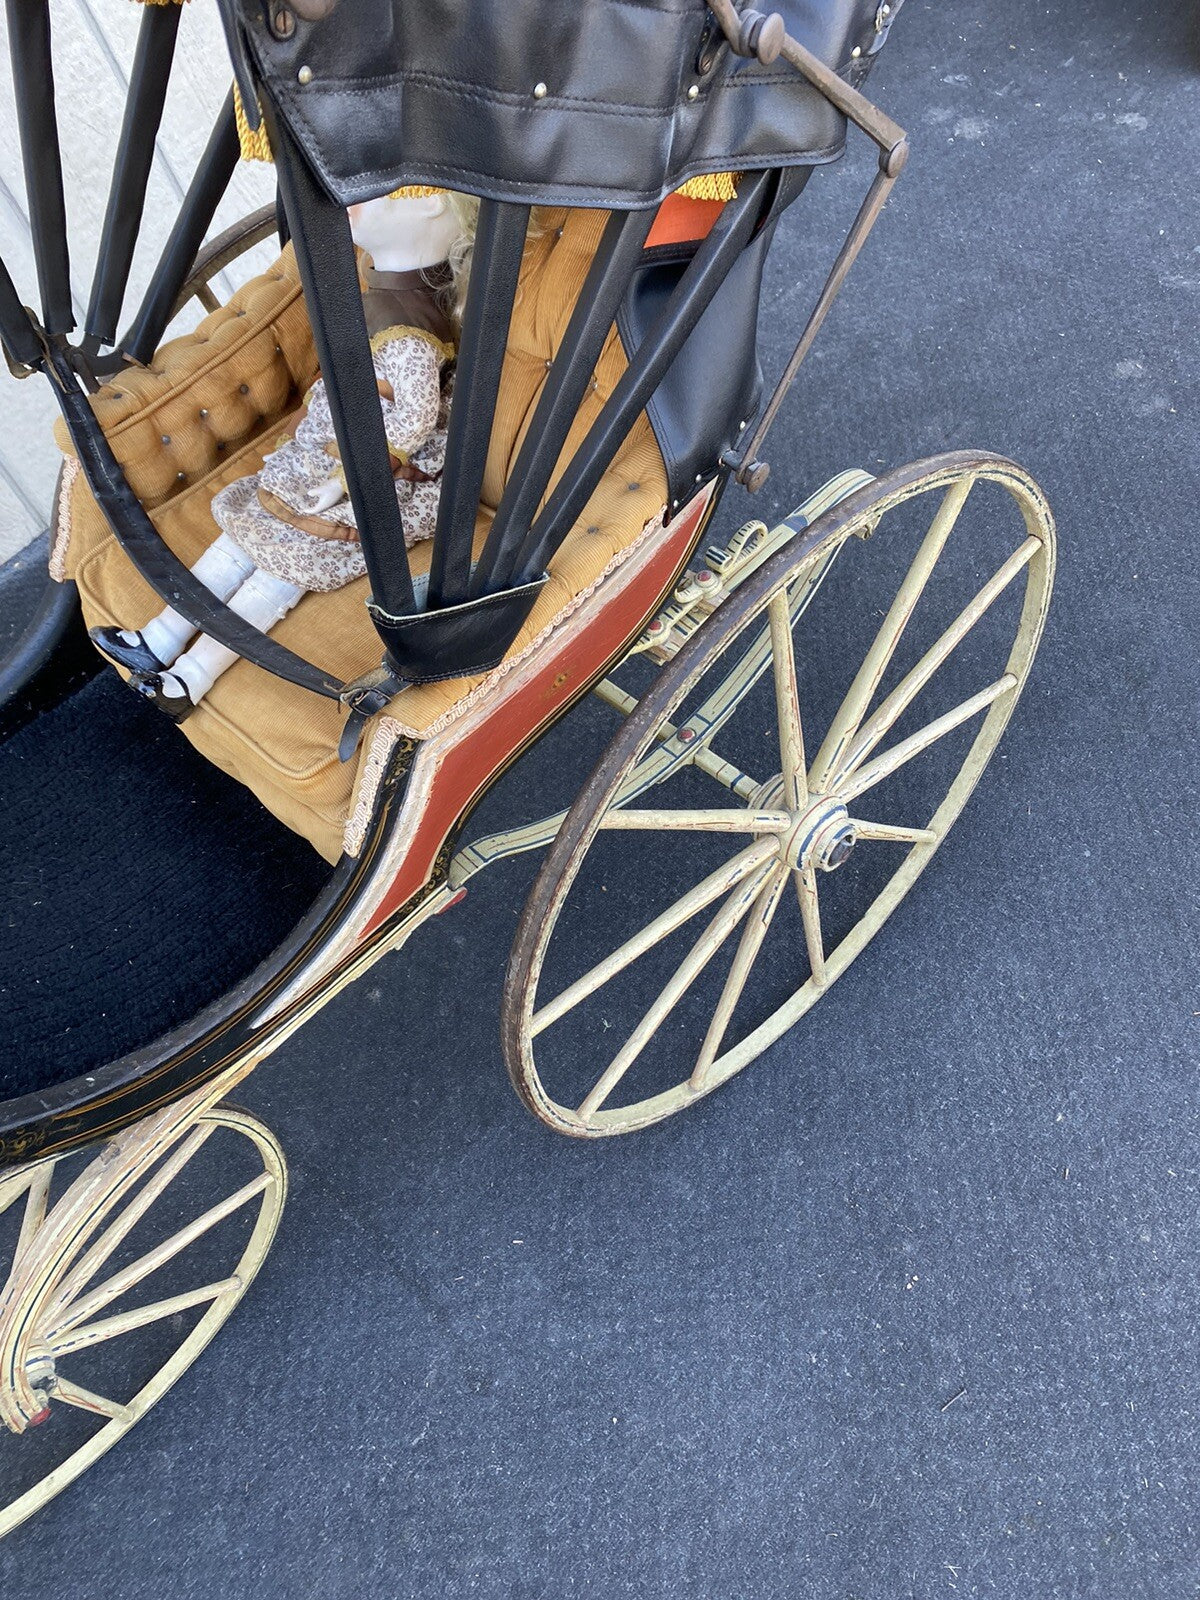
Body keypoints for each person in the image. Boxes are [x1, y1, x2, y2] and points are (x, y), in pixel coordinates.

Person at [92, 190, 476, 720]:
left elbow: (411, 417)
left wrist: (348, 480)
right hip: (328, 450)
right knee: (239, 541)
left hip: (370, 475)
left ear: (431, 206)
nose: (357, 201)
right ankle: (157, 640)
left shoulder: (413, 330)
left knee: (279, 571)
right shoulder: (387, 297)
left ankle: (189, 679)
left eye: (382, 194)